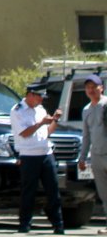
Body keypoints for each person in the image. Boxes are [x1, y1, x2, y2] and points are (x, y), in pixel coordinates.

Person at [12, 83, 65, 233]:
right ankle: (25, 224)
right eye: (39, 97)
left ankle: (58, 223)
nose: (41, 100)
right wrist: (41, 123)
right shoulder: (17, 111)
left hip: (46, 153)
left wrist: (55, 120)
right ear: (30, 95)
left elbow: (47, 132)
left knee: (53, 189)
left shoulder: (40, 109)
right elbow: (24, 133)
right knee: (29, 191)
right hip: (29, 155)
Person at [77, 73, 106, 233]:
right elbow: (86, 136)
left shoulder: (106, 104)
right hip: (96, 156)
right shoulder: (86, 110)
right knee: (104, 193)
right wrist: (82, 157)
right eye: (88, 87)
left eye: (94, 87)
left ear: (102, 88)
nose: (91, 90)